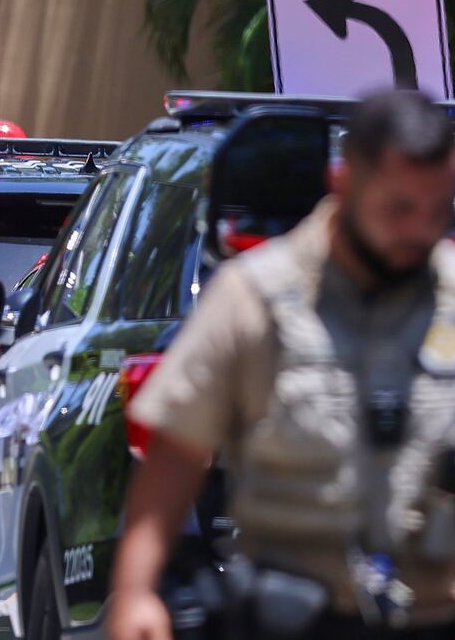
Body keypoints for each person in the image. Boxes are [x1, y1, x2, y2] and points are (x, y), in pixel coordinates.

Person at [110, 90, 455, 640]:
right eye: (398, 208)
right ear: (343, 184)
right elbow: (175, 455)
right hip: (297, 616)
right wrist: (136, 594)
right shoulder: (255, 298)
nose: (418, 231)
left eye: (437, 210)